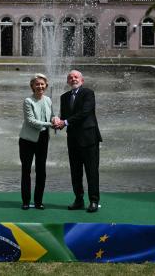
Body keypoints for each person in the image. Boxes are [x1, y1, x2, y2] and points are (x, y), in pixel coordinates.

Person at [52, 70, 102, 213]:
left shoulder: (88, 93)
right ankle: (78, 199)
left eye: (76, 77)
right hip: (73, 139)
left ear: (82, 80)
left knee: (92, 171)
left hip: (89, 138)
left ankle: (93, 200)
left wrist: (64, 122)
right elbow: (65, 117)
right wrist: (56, 122)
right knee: (75, 171)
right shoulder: (64, 97)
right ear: (68, 81)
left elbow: (85, 113)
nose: (73, 79)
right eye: (70, 77)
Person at [19, 73, 54, 210]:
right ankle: (26, 201)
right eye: (37, 84)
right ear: (32, 86)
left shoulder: (48, 100)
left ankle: (38, 201)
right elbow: (31, 121)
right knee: (26, 171)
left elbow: (51, 116)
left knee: (41, 171)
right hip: (27, 140)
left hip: (43, 139)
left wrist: (55, 119)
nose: (40, 86)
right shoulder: (28, 101)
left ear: (46, 85)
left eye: (42, 84)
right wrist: (51, 124)